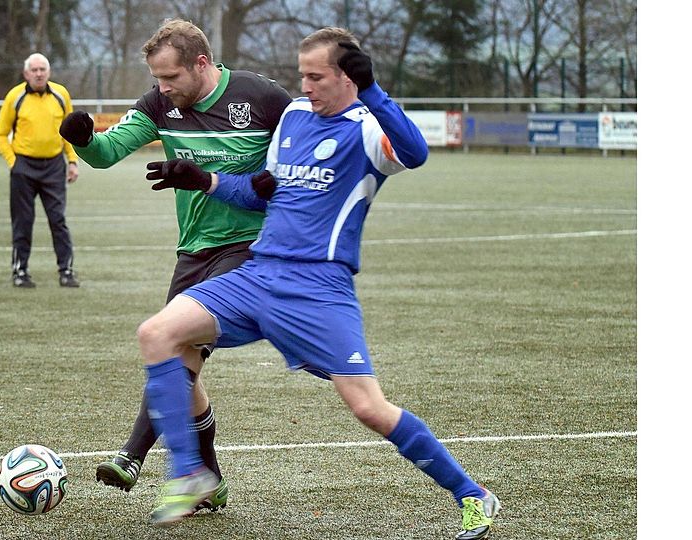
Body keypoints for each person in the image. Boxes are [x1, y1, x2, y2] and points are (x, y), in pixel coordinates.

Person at [135, 27, 501, 539]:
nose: (304, 86)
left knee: (369, 407)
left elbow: (416, 153)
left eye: (315, 76)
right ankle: (190, 472)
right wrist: (206, 180)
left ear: (348, 76)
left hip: (318, 290)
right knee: (157, 334)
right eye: (300, 74)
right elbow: (266, 195)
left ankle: (474, 496)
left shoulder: (368, 130)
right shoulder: (292, 118)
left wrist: (374, 93)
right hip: (258, 274)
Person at [59, 19, 292, 511]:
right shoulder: (158, 106)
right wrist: (82, 139)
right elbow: (106, 152)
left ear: (201, 64)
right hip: (194, 249)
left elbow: (297, 155)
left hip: (250, 247)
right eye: (157, 80)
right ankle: (211, 479)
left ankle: (132, 453)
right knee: (181, 367)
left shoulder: (264, 99)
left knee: (175, 346)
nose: (162, 89)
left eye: (171, 78)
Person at [0, 52, 81, 288]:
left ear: (49, 72)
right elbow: (1, 134)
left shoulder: (61, 95)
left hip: (54, 167)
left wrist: (72, 161)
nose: (39, 73)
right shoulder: (15, 97)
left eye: (43, 69)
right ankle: (20, 271)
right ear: (26, 74)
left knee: (58, 220)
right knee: (23, 222)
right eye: (34, 70)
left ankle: (66, 271)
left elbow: (69, 132)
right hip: (24, 167)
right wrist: (14, 163)